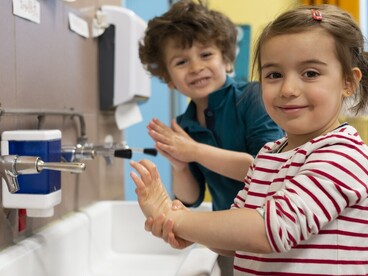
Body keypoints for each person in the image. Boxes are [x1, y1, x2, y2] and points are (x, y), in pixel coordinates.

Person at [130, 4, 368, 275]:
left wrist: (181, 219)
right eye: (274, 75)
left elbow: (268, 230)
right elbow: (236, 242)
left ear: (348, 82)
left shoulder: (343, 156)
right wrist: (186, 229)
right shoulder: (268, 155)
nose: (288, 89)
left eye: (310, 73)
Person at [139, 0, 284, 213]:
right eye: (181, 62)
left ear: (226, 60)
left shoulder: (253, 97)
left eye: (206, 55)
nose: (196, 67)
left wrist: (194, 151)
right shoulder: (184, 126)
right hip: (228, 238)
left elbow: (266, 169)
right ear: (168, 78)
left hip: (271, 228)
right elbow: (191, 198)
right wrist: (180, 165)